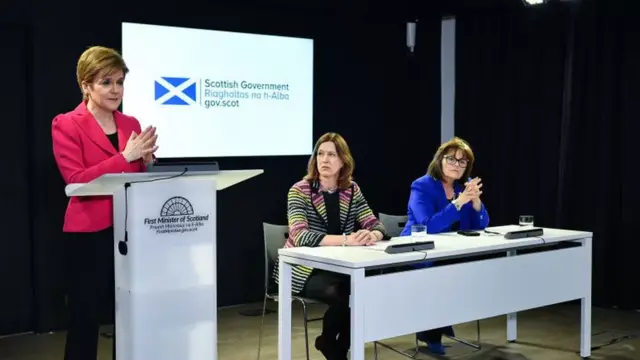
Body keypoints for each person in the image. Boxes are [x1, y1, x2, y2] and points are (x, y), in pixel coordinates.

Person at [51, 46, 158, 360]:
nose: (116, 90)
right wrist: (125, 157)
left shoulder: (130, 123)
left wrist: (149, 161)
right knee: (85, 318)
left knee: (129, 314)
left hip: (129, 232)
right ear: (86, 85)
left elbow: (137, 175)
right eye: (106, 82)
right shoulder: (66, 123)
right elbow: (77, 180)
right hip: (88, 234)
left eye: (120, 82)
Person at [272, 132, 389, 360]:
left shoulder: (351, 190)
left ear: (343, 160)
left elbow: (376, 224)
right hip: (302, 268)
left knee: (364, 290)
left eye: (332, 155)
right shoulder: (299, 190)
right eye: (320, 154)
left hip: (339, 266)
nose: (324, 160)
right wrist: (347, 240)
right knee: (345, 293)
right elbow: (300, 235)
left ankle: (336, 346)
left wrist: (371, 233)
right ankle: (331, 347)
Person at [400, 136, 490, 355]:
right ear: (440, 160)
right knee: (446, 270)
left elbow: (478, 226)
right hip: (418, 253)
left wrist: (476, 202)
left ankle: (433, 327)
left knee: (471, 267)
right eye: (452, 159)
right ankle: (432, 330)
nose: (456, 165)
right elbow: (427, 225)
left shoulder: (463, 188)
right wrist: (458, 203)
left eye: (462, 162)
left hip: (449, 252)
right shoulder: (422, 186)